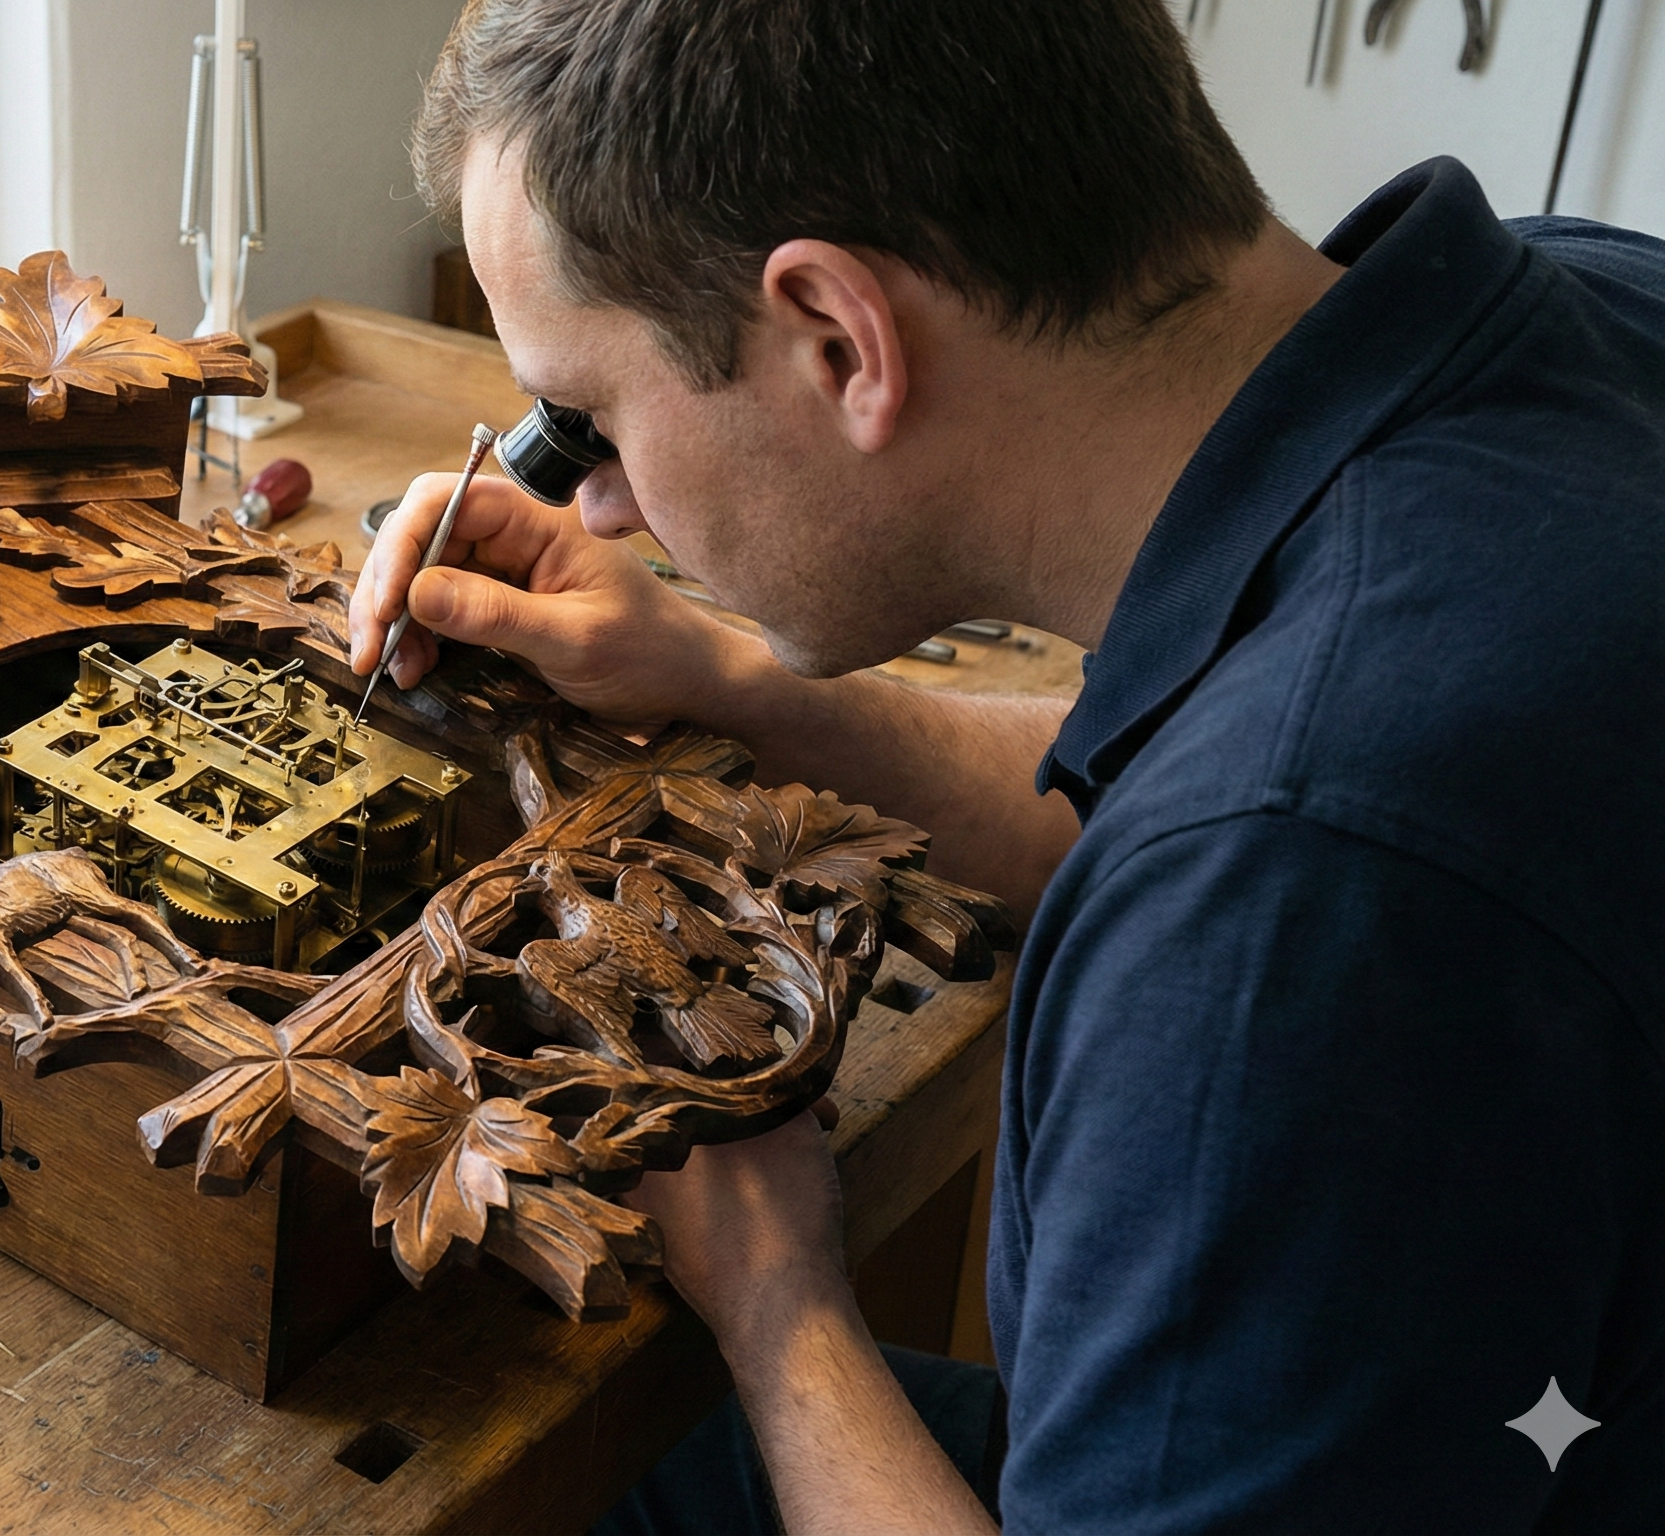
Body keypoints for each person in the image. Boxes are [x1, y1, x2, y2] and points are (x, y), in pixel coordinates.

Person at [352, 2, 1665, 1530]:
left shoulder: (1281, 917)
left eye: (589, 416)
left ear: (841, 338)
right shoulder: (1575, 303)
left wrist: (779, 1304)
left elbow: (1271, 824)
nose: (603, 507)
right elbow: (1200, 752)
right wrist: (731, 679)